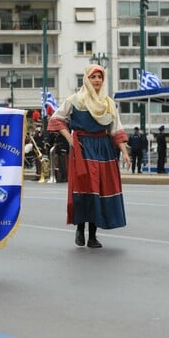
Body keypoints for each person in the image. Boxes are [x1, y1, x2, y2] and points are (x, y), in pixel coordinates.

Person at [48, 64, 130, 248]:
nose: (97, 80)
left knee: (98, 190)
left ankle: (92, 235)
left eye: (100, 77)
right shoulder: (75, 100)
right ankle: (79, 229)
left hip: (103, 149)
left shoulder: (108, 103)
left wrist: (125, 153)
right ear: (87, 79)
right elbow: (56, 119)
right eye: (93, 77)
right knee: (84, 188)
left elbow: (116, 129)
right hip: (82, 148)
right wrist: (71, 139)